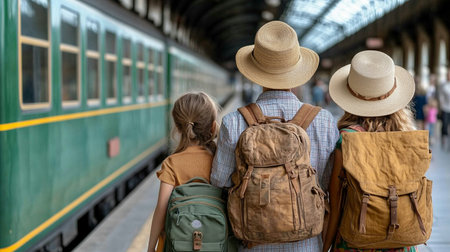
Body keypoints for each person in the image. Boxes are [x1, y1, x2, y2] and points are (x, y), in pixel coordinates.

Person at [210, 20, 339, 251]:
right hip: (307, 242)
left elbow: (219, 180)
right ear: (297, 74)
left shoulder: (233, 122)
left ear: (256, 75)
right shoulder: (324, 121)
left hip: (252, 241)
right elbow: (328, 182)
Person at [323, 50, 418, 252]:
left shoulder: (346, 139)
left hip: (355, 240)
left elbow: (336, 201)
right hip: (401, 241)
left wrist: (325, 246)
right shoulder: (408, 137)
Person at [147, 92, 219, 252]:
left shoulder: (172, 163)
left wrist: (151, 247)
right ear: (213, 126)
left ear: (178, 127)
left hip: (177, 244)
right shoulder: (219, 160)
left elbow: (161, 208)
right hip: (216, 243)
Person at [438, 72, 450, 150]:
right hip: (445, 108)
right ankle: (443, 139)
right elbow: (441, 97)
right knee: (445, 125)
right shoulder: (444, 85)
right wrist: (441, 106)